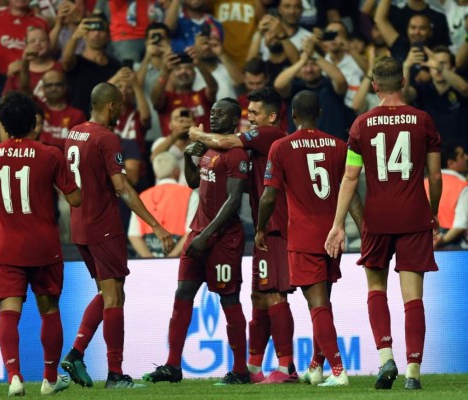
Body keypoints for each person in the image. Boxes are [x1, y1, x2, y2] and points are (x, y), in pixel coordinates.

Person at [325, 56, 442, 390]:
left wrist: (337, 224)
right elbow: (434, 176)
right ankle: (413, 374)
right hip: (414, 216)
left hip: (376, 219)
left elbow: (350, 178)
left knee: (376, 289)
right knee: (413, 298)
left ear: (375, 85)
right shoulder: (423, 121)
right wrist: (431, 212)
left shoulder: (361, 124)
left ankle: (386, 358)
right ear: (403, 82)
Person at [60, 82, 174, 389]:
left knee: (108, 292)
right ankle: (114, 374)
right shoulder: (107, 138)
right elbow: (122, 187)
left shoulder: (74, 133)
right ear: (110, 106)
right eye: (120, 106)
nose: (122, 112)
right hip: (103, 226)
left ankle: (76, 353)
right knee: (113, 296)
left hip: (80, 226)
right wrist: (157, 225)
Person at [189, 87, 297, 384]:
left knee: (275, 293)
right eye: (249, 113)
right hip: (265, 226)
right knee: (259, 295)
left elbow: (224, 140)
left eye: (256, 113)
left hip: (277, 225)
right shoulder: (259, 143)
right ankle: (252, 367)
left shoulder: (270, 134)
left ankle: (287, 367)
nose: (250, 118)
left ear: (272, 117)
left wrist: (196, 135)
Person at [254, 90, 362, 387]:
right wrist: (362, 226)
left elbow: (269, 195)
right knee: (323, 302)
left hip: (303, 238)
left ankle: (339, 372)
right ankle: (316, 367)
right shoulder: (338, 145)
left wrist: (261, 228)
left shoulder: (281, 146)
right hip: (333, 236)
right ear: (320, 114)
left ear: (293, 116)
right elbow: (349, 191)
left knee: (317, 306)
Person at [0, 91, 82, 396]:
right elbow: (74, 198)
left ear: (3, 124)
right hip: (44, 247)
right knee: (49, 310)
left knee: (8, 313)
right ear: (34, 122)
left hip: (8, 248)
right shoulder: (50, 154)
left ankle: (14, 376)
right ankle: (49, 380)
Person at [143, 98, 250, 385]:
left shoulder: (236, 153)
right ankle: (173, 365)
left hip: (223, 238)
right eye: (212, 112)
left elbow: (234, 200)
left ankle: (240, 369)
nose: (214, 117)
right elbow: (194, 182)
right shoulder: (210, 148)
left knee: (229, 298)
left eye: (221, 114)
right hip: (198, 232)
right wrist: (194, 157)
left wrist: (205, 236)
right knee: (182, 295)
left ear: (234, 120)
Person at [128, 151, 199, 258]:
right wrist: (172, 257)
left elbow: (134, 235)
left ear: (156, 174)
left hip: (148, 259)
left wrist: (149, 259)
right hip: (179, 258)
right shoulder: (189, 194)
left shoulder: (143, 196)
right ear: (177, 172)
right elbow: (191, 232)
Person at [425, 141, 468, 249]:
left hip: (424, 245)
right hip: (453, 248)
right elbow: (460, 226)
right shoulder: (463, 185)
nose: (466, 157)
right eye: (462, 155)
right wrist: (441, 240)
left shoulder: (423, 183)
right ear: (451, 163)